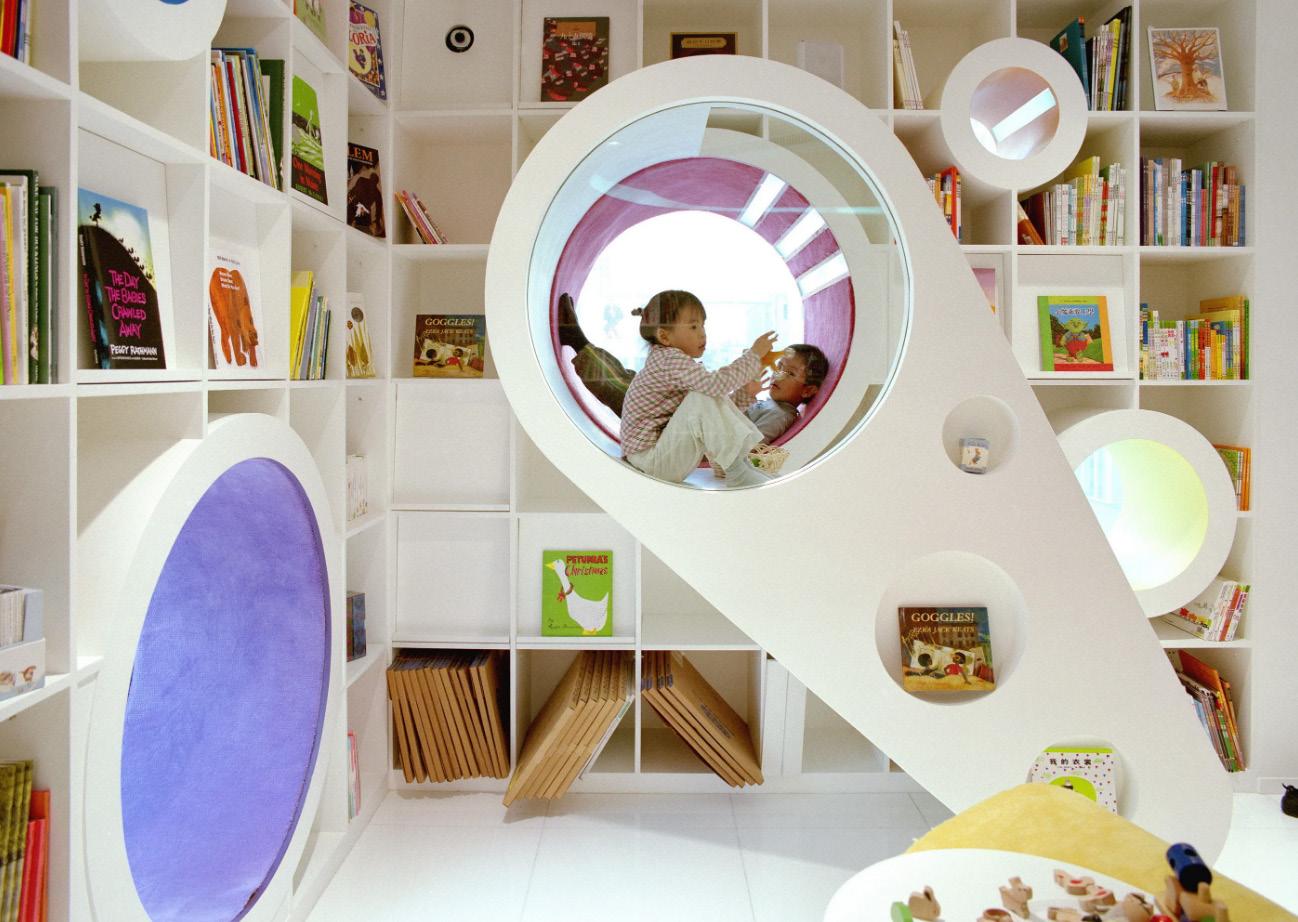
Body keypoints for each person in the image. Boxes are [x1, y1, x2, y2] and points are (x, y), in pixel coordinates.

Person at [556, 292, 827, 444]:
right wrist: (746, 388)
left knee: (622, 388)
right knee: (633, 378)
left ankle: (578, 342)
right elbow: (728, 410)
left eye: (790, 373)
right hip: (684, 417)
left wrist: (750, 363)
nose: (778, 374)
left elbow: (748, 446)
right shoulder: (768, 405)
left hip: (675, 431)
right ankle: (582, 344)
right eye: (780, 367)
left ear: (808, 390)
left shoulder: (779, 415)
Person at [618, 290, 777, 486]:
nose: (702, 333)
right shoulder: (668, 360)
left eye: (703, 325)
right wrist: (753, 356)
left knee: (705, 392)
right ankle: (739, 470)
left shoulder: (677, 366)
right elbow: (715, 387)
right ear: (664, 336)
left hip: (660, 457)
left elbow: (713, 413)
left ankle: (739, 464)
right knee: (704, 393)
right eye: (693, 326)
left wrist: (746, 393)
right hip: (651, 462)